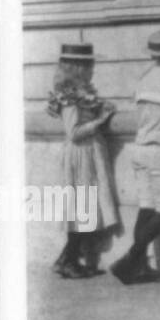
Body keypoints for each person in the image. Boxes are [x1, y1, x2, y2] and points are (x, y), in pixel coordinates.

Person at [110, 31, 160, 284]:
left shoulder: (144, 78)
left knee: (146, 208)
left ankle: (140, 266)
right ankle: (131, 258)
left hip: (140, 148)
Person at [46, 43, 120, 278]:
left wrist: (99, 113)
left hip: (88, 153)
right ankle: (69, 261)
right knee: (82, 208)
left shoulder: (79, 93)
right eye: (89, 66)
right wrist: (102, 120)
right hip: (81, 155)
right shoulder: (69, 97)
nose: (92, 70)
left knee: (85, 207)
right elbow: (74, 132)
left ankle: (67, 258)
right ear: (78, 68)